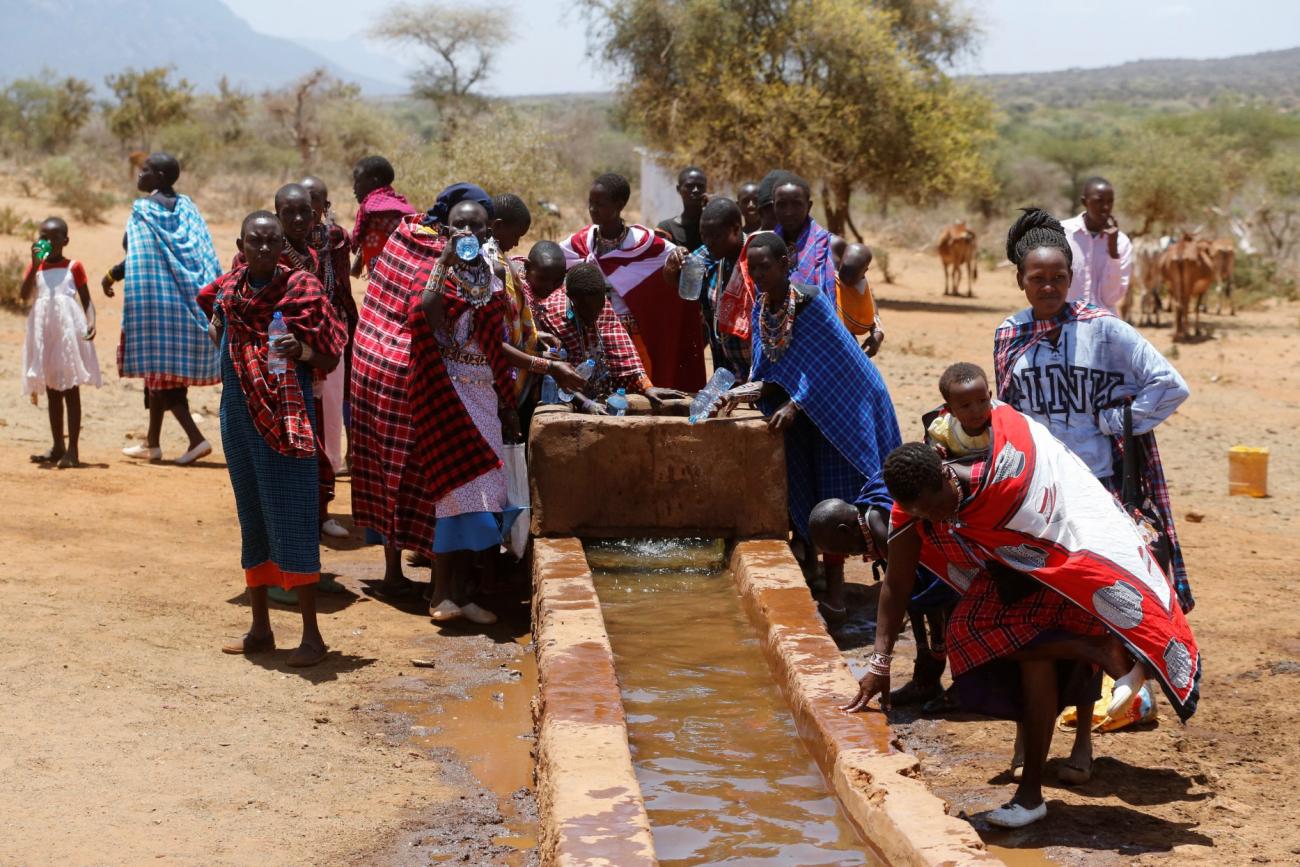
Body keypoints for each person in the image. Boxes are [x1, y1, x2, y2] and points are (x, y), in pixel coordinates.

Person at [843, 413, 1201, 829]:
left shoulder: (1005, 482)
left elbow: (1071, 520)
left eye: (936, 505)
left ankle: (1032, 791)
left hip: (1068, 573)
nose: (935, 518)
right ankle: (1035, 785)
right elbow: (897, 585)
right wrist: (879, 661)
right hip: (1011, 581)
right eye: (921, 512)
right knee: (993, 643)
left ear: (945, 475)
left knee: (1000, 644)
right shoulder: (915, 509)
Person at [994, 208, 1193, 615]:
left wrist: (1116, 420)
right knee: (1052, 594)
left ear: (1071, 277)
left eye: (1058, 278)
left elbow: (1170, 384)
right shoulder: (1008, 334)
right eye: (1037, 279)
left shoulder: (1103, 327)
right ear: (1020, 280)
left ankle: (1116, 670)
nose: (1048, 287)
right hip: (1040, 489)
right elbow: (1010, 415)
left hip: (1098, 483)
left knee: (1110, 590)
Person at [735, 232, 902, 626]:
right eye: (753, 267)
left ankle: (897, 585)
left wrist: (795, 403)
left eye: (767, 265)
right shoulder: (763, 307)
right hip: (810, 410)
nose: (760, 273)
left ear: (785, 265)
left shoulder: (810, 301)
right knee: (813, 490)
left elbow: (828, 364)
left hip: (848, 401)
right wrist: (741, 392)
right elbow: (770, 369)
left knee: (846, 491)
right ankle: (832, 594)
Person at [211, 211, 348, 667]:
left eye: (272, 242)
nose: (265, 250)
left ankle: (312, 637)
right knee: (253, 520)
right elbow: (217, 327)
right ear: (241, 244)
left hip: (288, 422)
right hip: (238, 417)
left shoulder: (302, 290)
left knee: (292, 517)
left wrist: (302, 350)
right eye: (256, 242)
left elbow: (330, 355)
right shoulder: (230, 290)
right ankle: (261, 629)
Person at [409, 189, 522, 625]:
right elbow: (428, 317)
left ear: (488, 230)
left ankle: (463, 593)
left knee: (485, 496)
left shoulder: (494, 277)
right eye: (460, 225)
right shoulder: (438, 274)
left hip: (486, 395)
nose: (469, 232)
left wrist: (507, 404)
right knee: (453, 497)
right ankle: (439, 595)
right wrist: (444, 262)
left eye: (476, 226)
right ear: (448, 229)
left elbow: (498, 344)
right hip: (447, 394)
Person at [104, 152, 218, 466]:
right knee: (159, 376)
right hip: (188, 299)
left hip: (157, 303)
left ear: (160, 178)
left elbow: (136, 253)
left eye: (146, 170)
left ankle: (196, 439)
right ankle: (152, 443)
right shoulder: (188, 208)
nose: (140, 175)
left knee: (164, 380)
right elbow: (201, 252)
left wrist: (111, 274)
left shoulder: (143, 211)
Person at [809, 475, 958, 708]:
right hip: (945, 565)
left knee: (953, 619)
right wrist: (924, 650)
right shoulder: (869, 510)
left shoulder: (880, 526)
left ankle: (959, 688)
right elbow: (909, 593)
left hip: (959, 563)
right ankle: (928, 679)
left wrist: (935, 651)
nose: (849, 556)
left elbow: (911, 588)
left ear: (845, 530)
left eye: (845, 549)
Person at [560, 173, 705, 392]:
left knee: (639, 393)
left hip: (634, 337)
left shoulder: (645, 243)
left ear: (619, 205)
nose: (593, 209)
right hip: (592, 335)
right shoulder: (581, 242)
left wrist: (680, 254)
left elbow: (677, 257)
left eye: (600, 204)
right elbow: (552, 259)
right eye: (591, 203)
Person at [534, 262, 684, 414]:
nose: (594, 317)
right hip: (563, 398)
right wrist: (586, 404)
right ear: (572, 299)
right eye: (586, 312)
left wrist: (646, 387)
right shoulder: (552, 315)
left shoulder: (600, 303)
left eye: (597, 311)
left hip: (599, 391)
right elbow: (557, 375)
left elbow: (621, 350)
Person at [20, 216, 101, 468]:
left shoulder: (74, 266)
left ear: (65, 241)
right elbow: (23, 296)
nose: (48, 242)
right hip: (44, 333)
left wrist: (91, 322)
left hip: (68, 333)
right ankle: (57, 446)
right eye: (43, 237)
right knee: (53, 390)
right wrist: (34, 265)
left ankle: (73, 450)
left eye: (54, 238)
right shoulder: (37, 268)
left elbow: (86, 300)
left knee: (70, 389)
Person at [301, 175, 355, 483]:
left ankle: (328, 474)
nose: (306, 209)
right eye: (300, 200)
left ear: (325, 205)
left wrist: (348, 327)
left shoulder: (335, 238)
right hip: (290, 333)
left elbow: (342, 287)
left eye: (314, 201)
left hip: (329, 332)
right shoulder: (274, 239)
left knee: (331, 405)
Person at [665, 197, 751, 380]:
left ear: (736, 230)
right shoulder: (708, 255)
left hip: (758, 375)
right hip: (726, 374)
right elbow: (679, 284)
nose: (708, 242)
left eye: (716, 236)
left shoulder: (756, 256)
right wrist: (672, 266)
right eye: (704, 235)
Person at [1061, 177, 1132, 313]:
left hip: (1103, 326)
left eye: (1110, 202)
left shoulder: (1121, 242)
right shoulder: (1062, 233)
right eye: (1099, 201)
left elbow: (1111, 298)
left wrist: (1113, 251)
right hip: (1065, 324)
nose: (1105, 207)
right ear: (1084, 202)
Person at [773, 173, 839, 303]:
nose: (789, 212)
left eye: (797, 204)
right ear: (773, 207)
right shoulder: (765, 247)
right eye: (781, 205)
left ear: (809, 206)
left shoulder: (832, 245)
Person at [350, 155, 416, 278]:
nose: (354, 188)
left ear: (374, 181)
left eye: (358, 181)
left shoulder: (377, 210)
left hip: (396, 279)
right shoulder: (393, 205)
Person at [927, 362, 993, 458]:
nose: (976, 411)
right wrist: (937, 452)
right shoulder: (943, 431)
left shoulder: (1003, 421)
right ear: (950, 410)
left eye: (983, 401)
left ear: (990, 397)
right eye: (966, 406)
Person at [835, 243, 885, 357]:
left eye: (853, 276)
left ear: (865, 271)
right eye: (844, 271)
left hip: (845, 342)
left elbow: (868, 300)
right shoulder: (827, 267)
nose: (847, 280)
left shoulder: (860, 285)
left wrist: (878, 331)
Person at [655, 166, 707, 251]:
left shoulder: (713, 225)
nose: (696, 190)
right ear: (678, 189)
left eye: (700, 186)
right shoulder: (666, 228)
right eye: (689, 186)